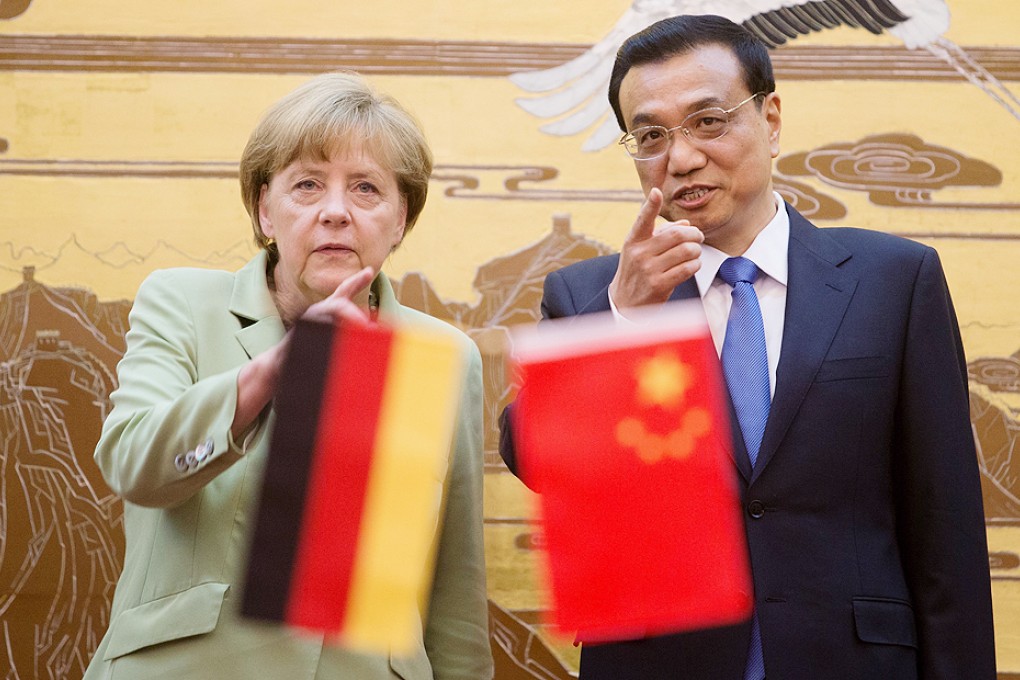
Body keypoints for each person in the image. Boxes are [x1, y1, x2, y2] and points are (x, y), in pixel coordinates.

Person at [499, 14, 995, 680]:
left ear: (771, 118)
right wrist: (623, 325)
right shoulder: (592, 297)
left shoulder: (894, 281)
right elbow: (539, 464)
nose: (680, 158)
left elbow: (945, 530)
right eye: (650, 135)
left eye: (709, 121)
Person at [85, 72, 493, 680]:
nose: (335, 212)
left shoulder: (443, 353)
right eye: (307, 185)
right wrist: (278, 369)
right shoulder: (182, 303)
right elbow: (133, 464)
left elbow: (455, 586)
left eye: (366, 189)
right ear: (264, 209)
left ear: (401, 217)